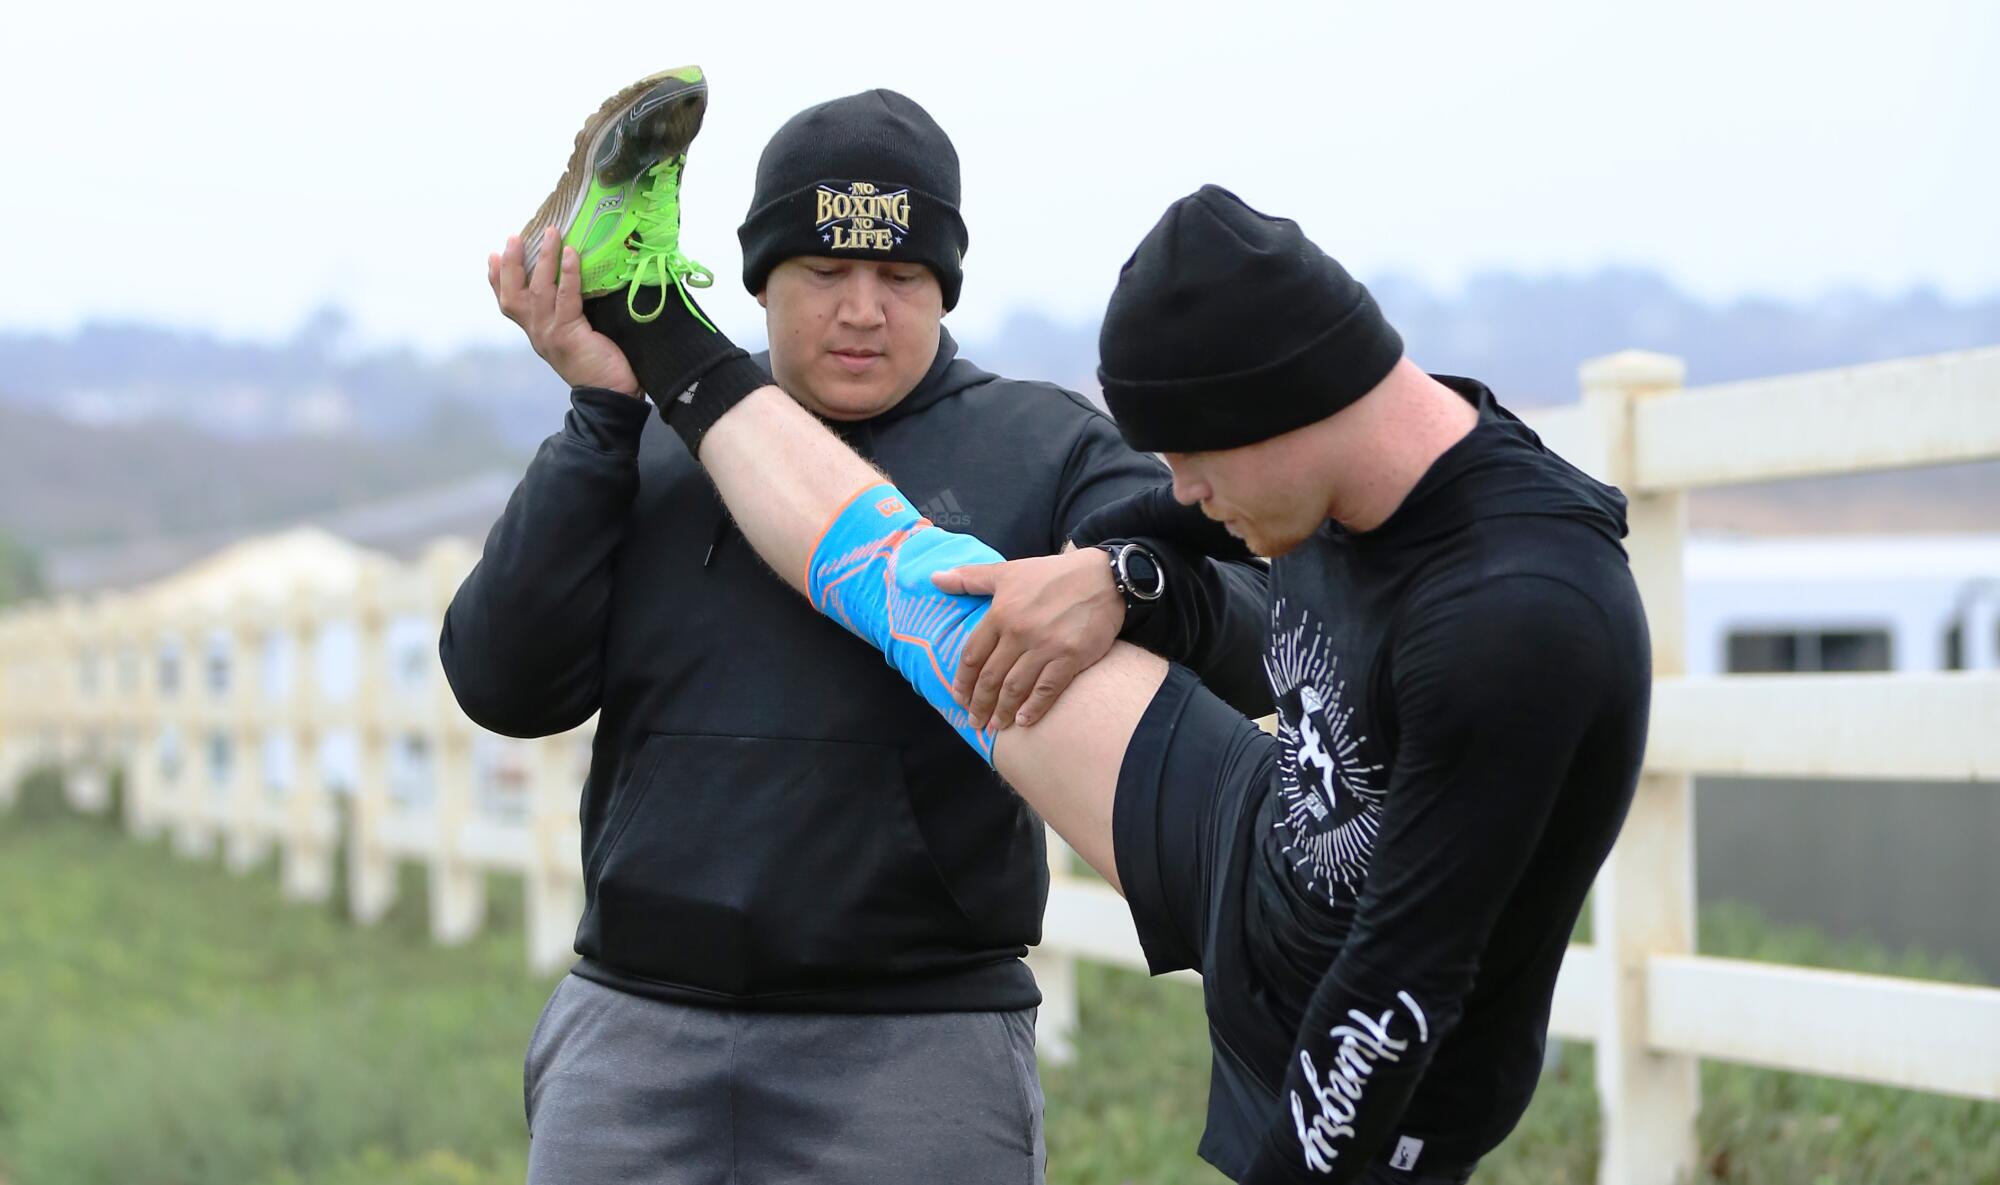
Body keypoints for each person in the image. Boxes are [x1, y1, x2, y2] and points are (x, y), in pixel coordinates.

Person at [495, 173, 1652, 1183]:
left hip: (1368, 1043)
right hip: (1251, 836)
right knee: (929, 597)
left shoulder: (1515, 622)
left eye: (1192, 463)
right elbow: (1170, 522)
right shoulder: (1396, 431)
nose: (1186, 495)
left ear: (1279, 411)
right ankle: (649, 316)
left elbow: (1396, 997)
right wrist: (1117, 567)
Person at [450, 69, 1271, 1185]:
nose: (859, 309)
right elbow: (505, 684)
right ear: (756, 278)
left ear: (945, 288)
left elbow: (1260, 629)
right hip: (635, 1028)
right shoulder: (648, 441)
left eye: (898, 273)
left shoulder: (1044, 446)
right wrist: (602, 414)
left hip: (915, 1046)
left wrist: (1124, 579)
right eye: (822, 270)